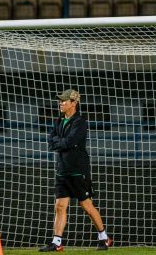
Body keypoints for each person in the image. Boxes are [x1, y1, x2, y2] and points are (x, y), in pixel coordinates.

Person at [40, 89, 113, 252]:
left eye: (64, 101)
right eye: (60, 101)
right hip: (62, 170)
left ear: (74, 103)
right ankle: (57, 242)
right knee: (59, 206)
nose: (60, 103)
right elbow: (51, 141)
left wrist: (60, 142)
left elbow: (71, 141)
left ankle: (104, 237)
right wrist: (61, 142)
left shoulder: (80, 121)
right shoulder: (58, 121)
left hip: (78, 170)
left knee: (87, 206)